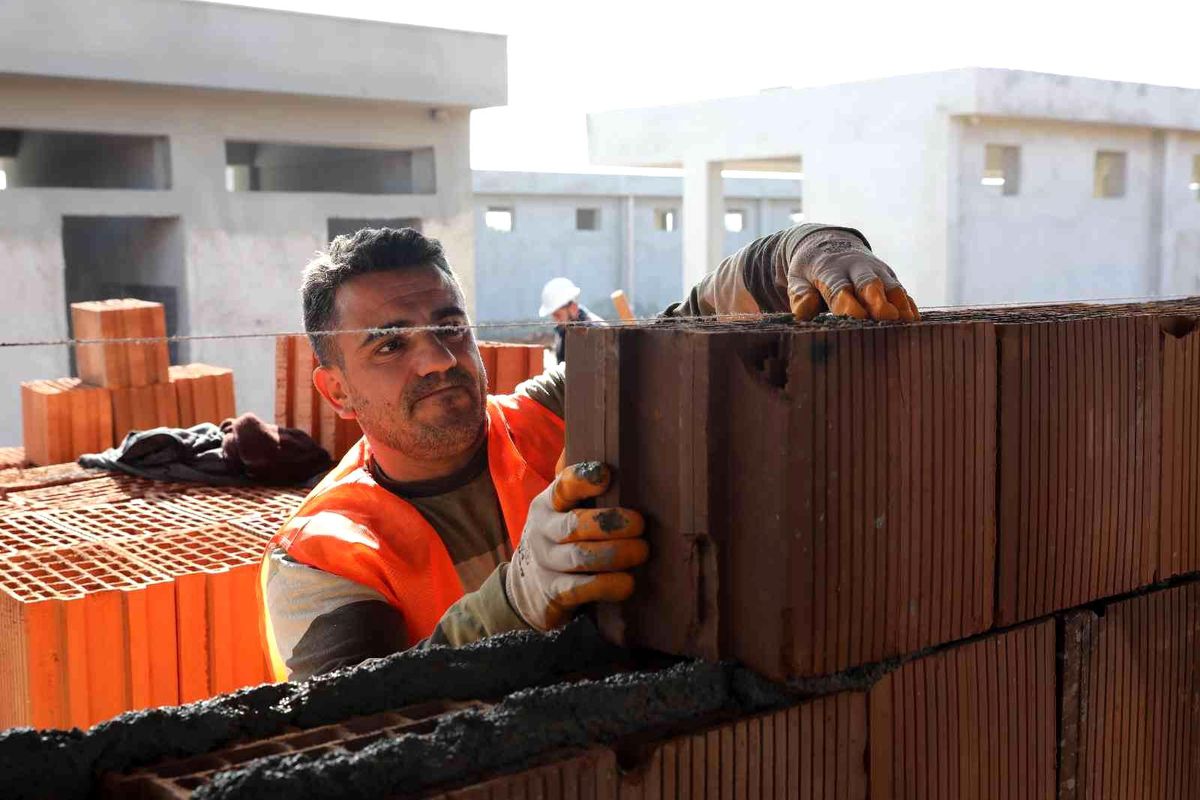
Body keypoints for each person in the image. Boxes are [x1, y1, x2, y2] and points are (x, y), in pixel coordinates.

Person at [259, 224, 918, 681]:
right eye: (389, 344)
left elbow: (688, 326)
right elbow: (357, 726)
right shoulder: (321, 554)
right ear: (336, 391)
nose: (437, 358)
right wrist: (516, 601)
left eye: (450, 326)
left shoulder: (550, 413)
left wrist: (799, 252)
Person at [538, 277, 603, 364]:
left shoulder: (597, 331)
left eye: (558, 315)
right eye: (553, 316)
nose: (556, 321)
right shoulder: (563, 330)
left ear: (573, 308)